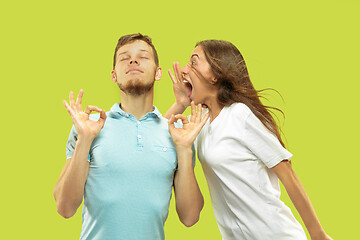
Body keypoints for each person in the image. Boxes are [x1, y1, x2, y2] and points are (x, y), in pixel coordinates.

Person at [165, 39, 333, 240]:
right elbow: (156, 139)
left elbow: (287, 173)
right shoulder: (200, 122)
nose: (184, 69)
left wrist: (318, 234)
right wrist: (181, 103)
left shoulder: (239, 115)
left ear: (215, 74)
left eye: (193, 62)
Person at [53, 33, 206, 240]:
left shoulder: (177, 134)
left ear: (157, 73)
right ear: (114, 75)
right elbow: (64, 207)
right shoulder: (89, 127)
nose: (133, 60)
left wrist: (185, 149)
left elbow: (190, 217)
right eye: (125, 58)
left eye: (143, 57)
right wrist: (85, 139)